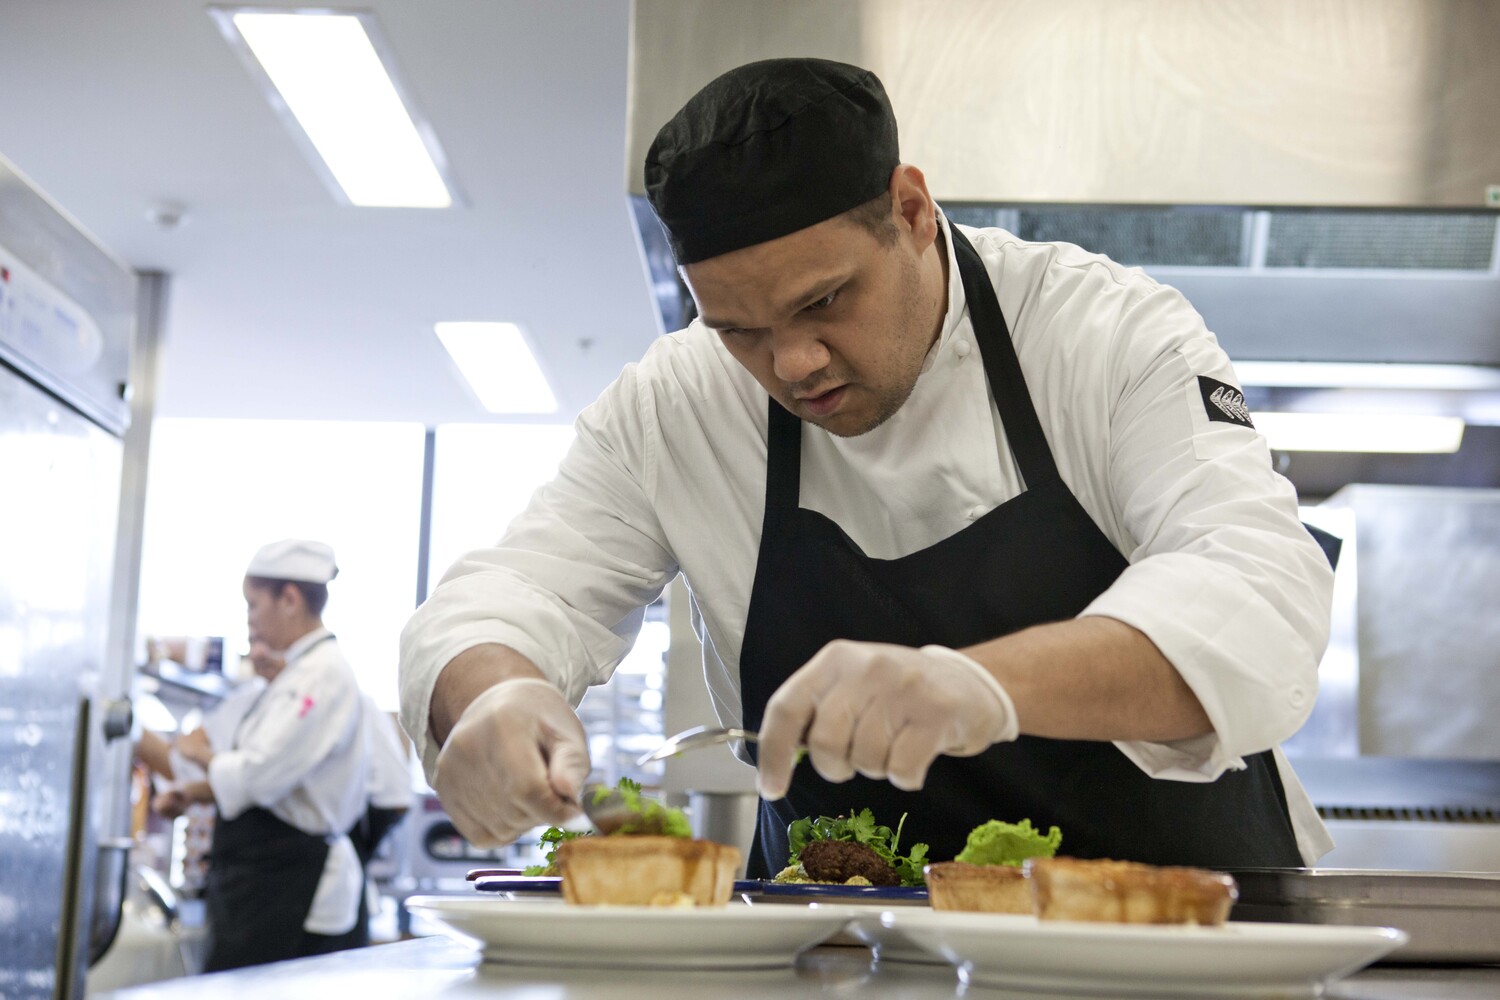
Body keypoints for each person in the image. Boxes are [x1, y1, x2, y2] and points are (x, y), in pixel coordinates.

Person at [399, 58, 1335, 876]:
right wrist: (495, 694)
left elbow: (1253, 587)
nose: (793, 363)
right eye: (740, 330)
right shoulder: (677, 404)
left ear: (913, 210)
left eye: (825, 300)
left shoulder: (1103, 333)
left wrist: (981, 685)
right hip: (843, 947)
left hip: (1174, 935)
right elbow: (519, 592)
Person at [154, 539, 368, 971]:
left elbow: (259, 775)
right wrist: (197, 792)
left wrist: (202, 756)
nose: (250, 619)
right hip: (267, 880)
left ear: (289, 599)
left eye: (253, 605)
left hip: (290, 883)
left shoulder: (321, 675)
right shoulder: (297, 673)